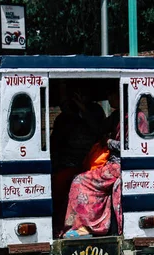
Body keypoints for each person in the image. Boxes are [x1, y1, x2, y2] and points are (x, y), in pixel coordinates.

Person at [63, 87, 122, 238]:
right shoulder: (117, 115)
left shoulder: (133, 118)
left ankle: (85, 226)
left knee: (79, 181)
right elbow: (99, 128)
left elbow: (128, 147)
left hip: (119, 166)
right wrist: (83, 108)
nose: (109, 98)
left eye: (111, 94)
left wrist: (108, 142)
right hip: (112, 164)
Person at [50, 82, 105, 236]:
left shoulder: (95, 112)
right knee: (57, 183)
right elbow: (55, 144)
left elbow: (99, 130)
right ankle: (60, 224)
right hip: (66, 163)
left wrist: (83, 110)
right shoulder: (63, 119)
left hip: (91, 161)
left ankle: (77, 224)